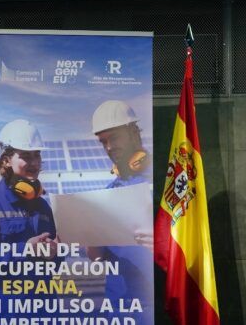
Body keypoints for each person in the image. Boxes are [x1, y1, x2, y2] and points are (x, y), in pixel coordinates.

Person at [0, 119, 60, 320]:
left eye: (37, 155)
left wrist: (55, 254)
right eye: (25, 156)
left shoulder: (43, 206)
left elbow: (54, 265)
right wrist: (25, 250)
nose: (34, 163)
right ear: (6, 160)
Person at [87, 100, 153, 323]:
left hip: (153, 306)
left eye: (113, 138)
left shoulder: (162, 182)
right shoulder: (109, 193)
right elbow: (97, 259)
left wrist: (162, 244)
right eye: (103, 141)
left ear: (133, 132)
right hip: (117, 308)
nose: (108, 147)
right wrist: (91, 240)